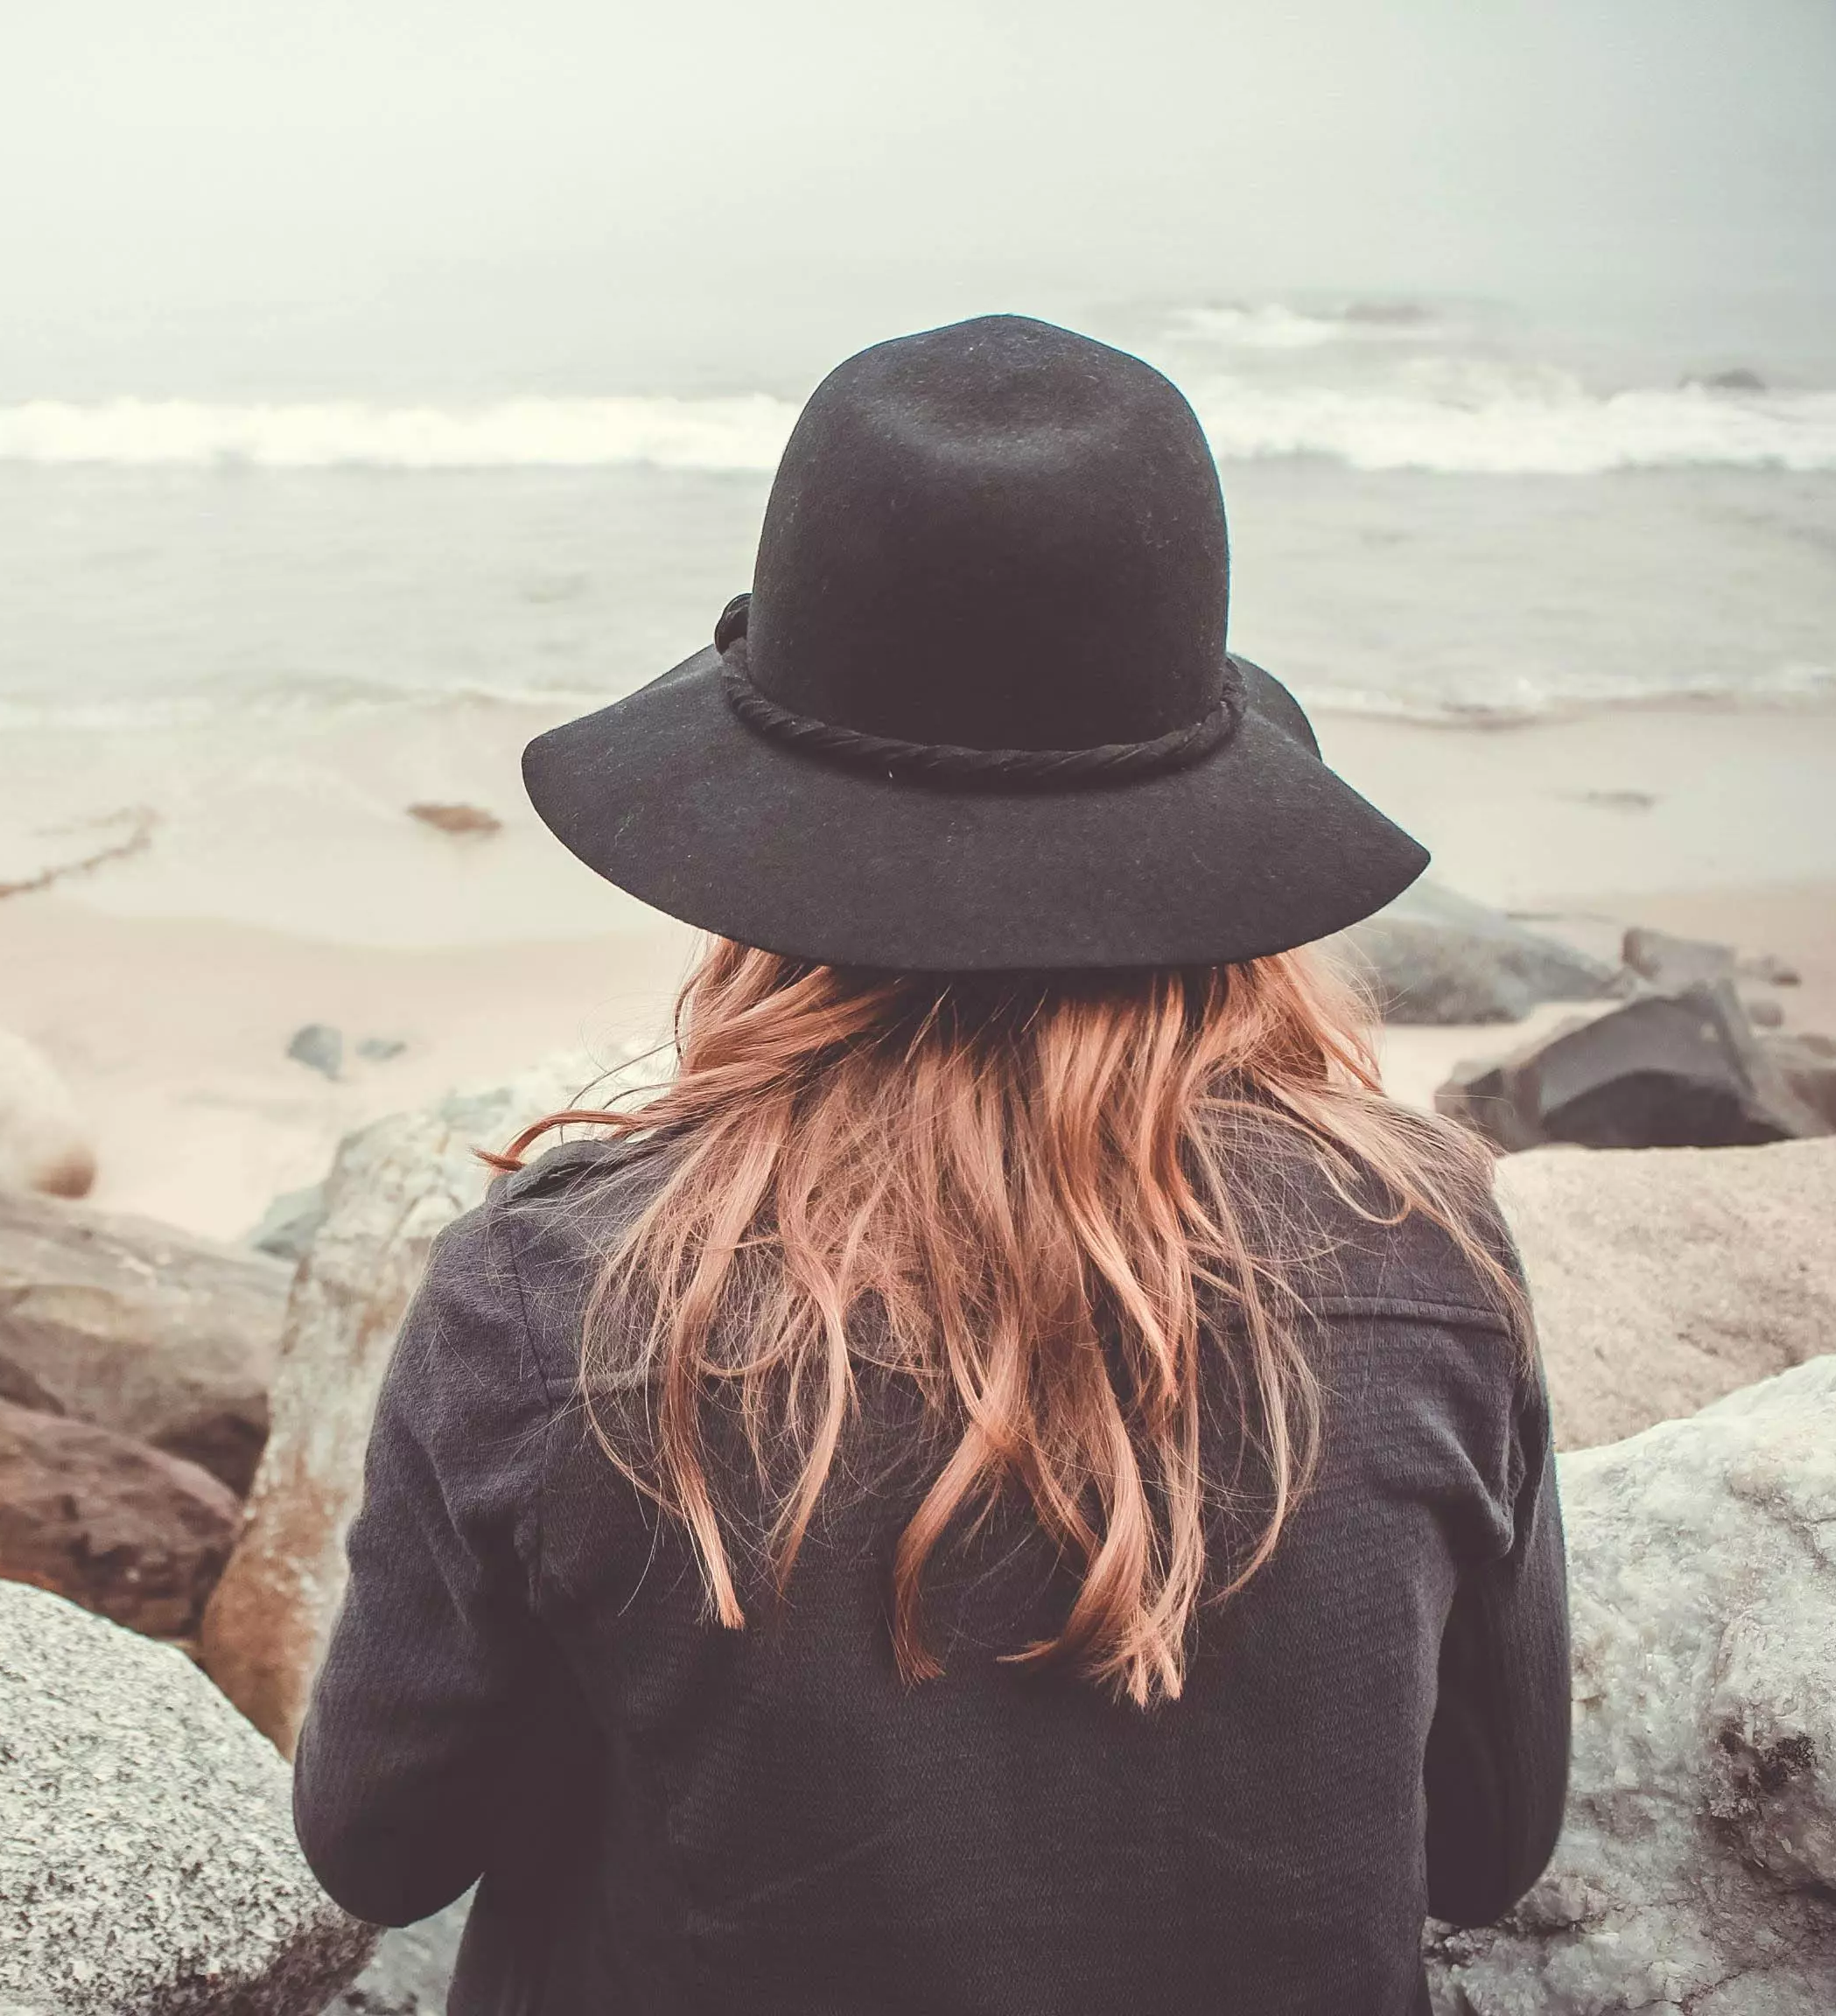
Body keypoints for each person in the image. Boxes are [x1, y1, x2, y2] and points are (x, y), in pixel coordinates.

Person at [289, 315, 1569, 2015]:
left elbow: (379, 1848)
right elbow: (1488, 1843)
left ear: (762, 836)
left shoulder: (554, 1299)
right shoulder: (1423, 1254)